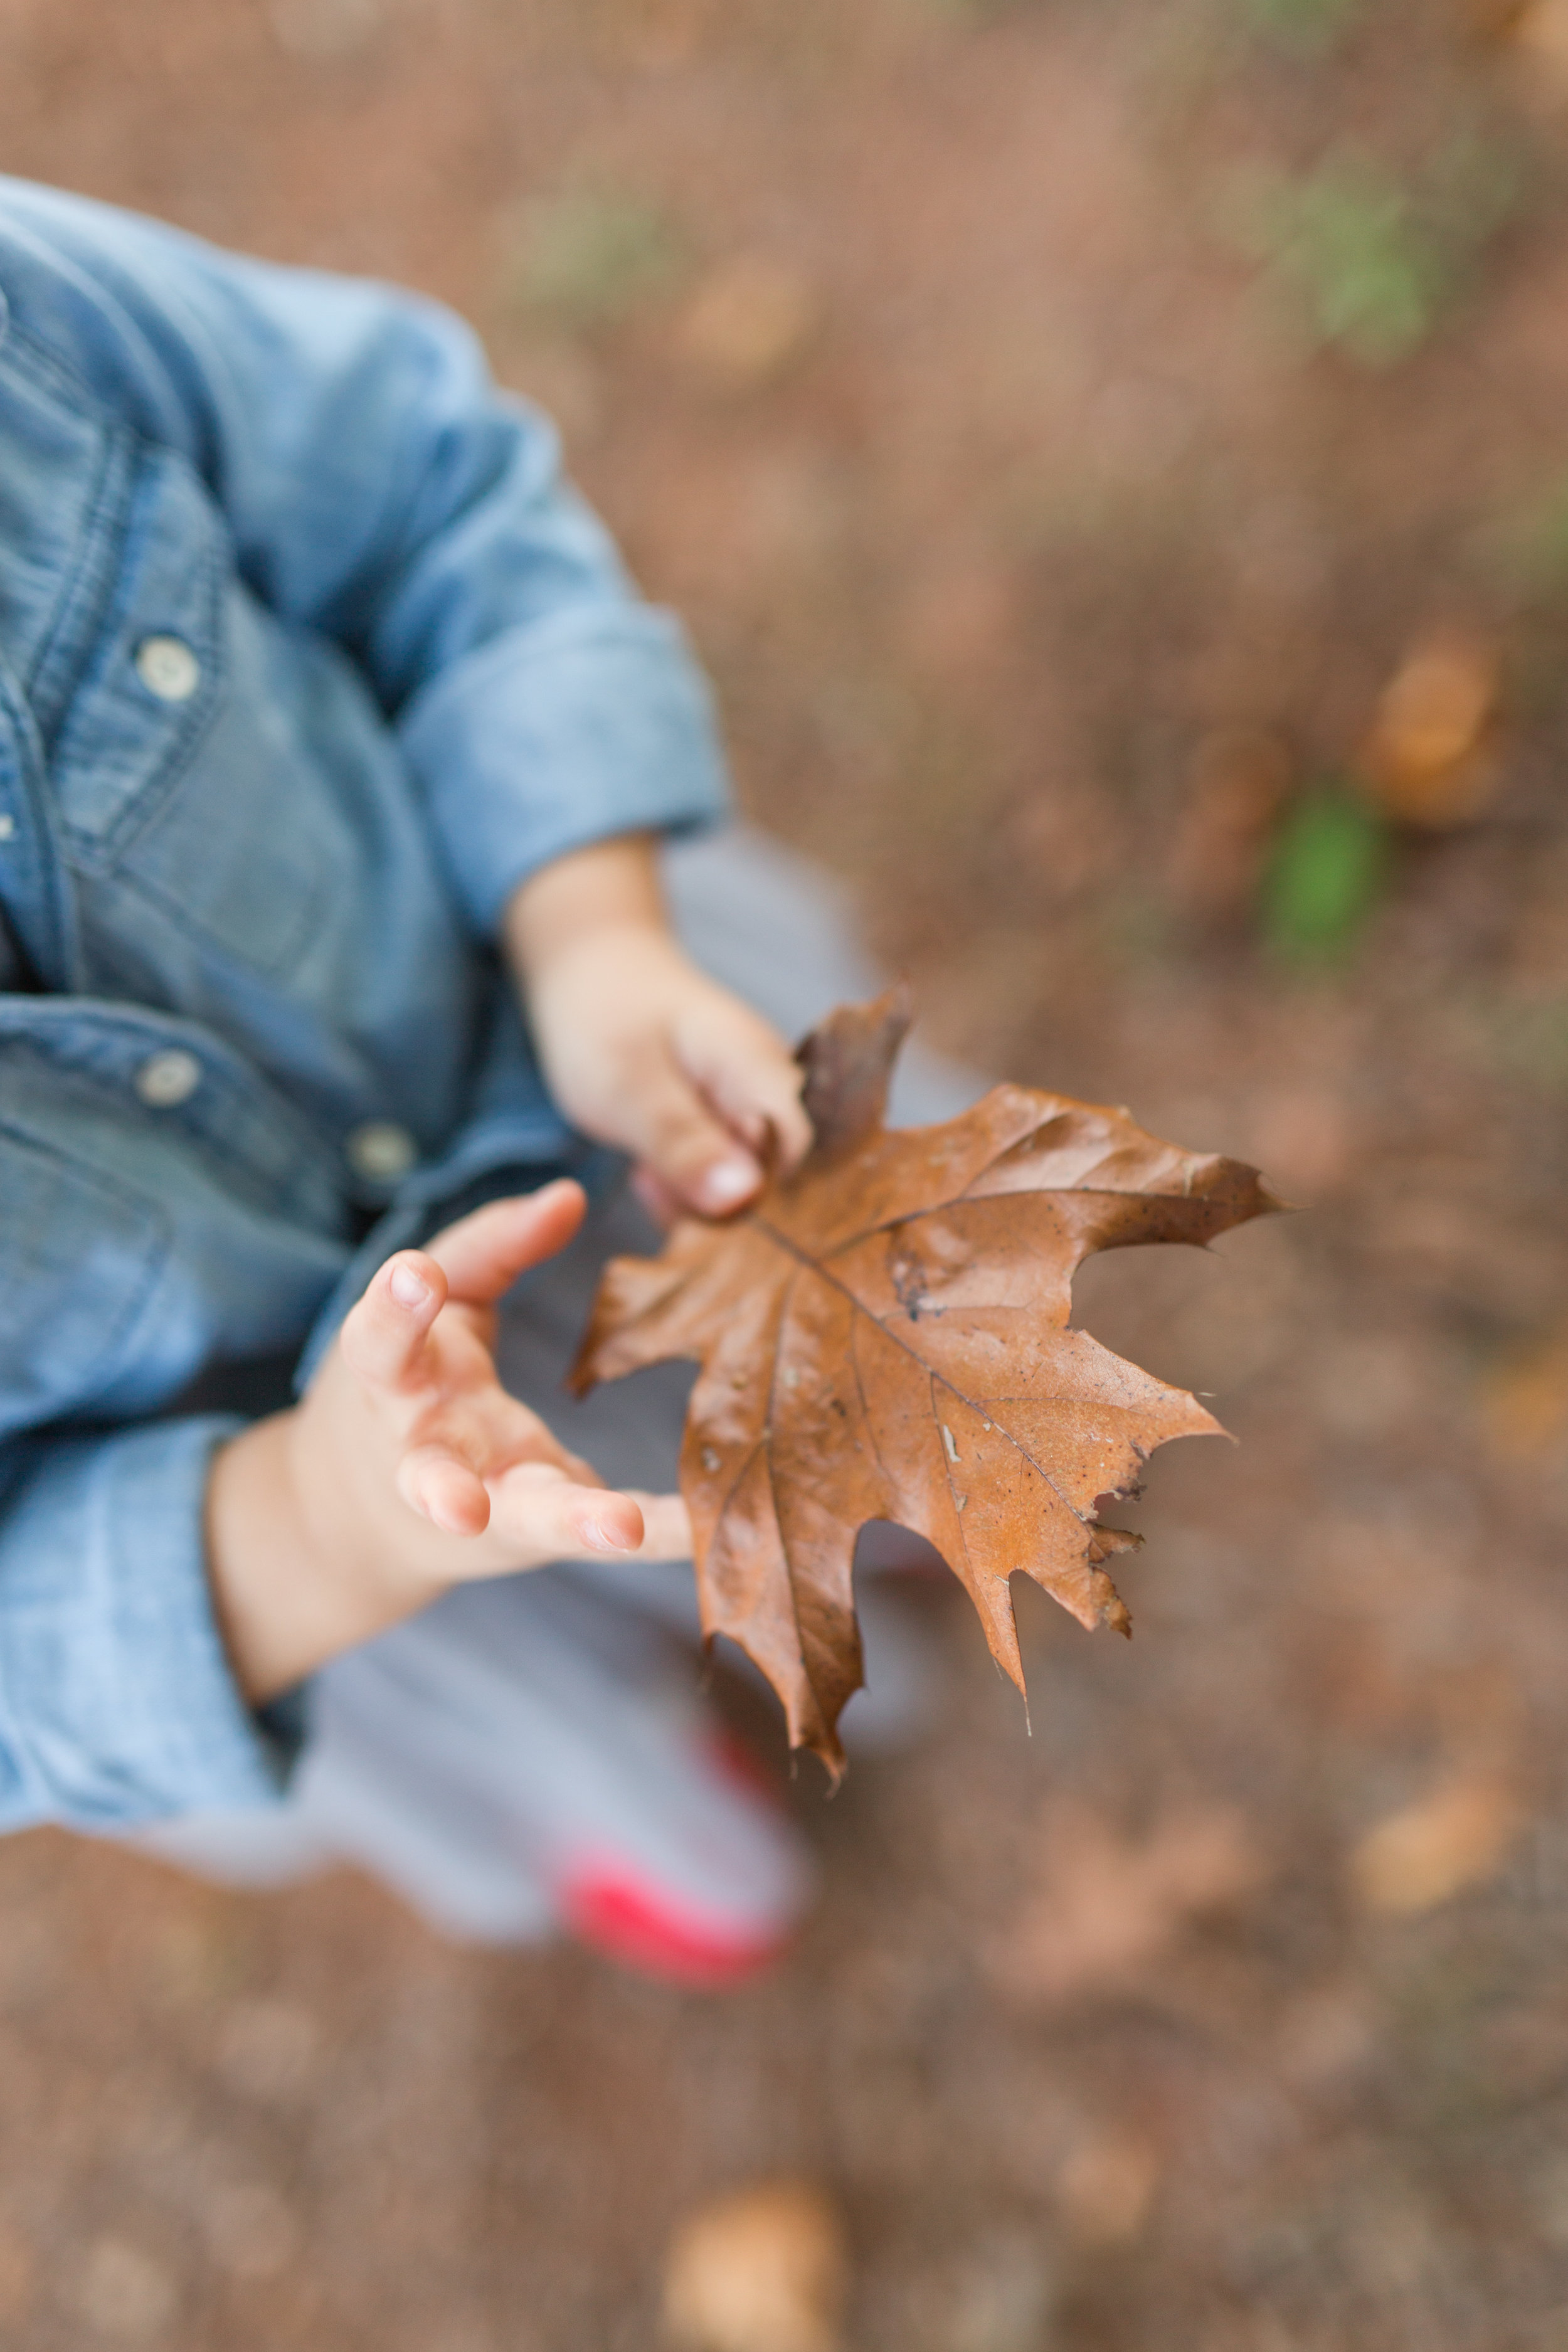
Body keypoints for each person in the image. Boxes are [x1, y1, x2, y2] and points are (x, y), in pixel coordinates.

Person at [0, 177, 970, 1982]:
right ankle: (616, 1778)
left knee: (891, 1400)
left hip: (578, 1062)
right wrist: (324, 1518)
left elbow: (415, 484)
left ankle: (906, 1523)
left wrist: (590, 932)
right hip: (296, 1548)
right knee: (562, 1690)